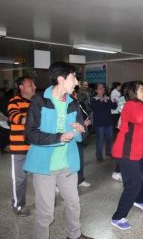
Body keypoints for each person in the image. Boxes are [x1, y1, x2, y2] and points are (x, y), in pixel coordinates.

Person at [23, 61, 93, 239]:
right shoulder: (40, 101)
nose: (76, 82)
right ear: (61, 79)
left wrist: (79, 130)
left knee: (74, 204)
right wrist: (58, 137)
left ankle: (74, 235)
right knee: (46, 213)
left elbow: (82, 136)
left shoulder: (73, 103)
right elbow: (30, 134)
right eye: (73, 77)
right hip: (44, 166)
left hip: (67, 164)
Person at [111, 80, 143, 230]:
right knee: (133, 184)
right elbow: (139, 118)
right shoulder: (129, 106)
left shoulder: (141, 106)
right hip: (125, 152)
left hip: (138, 151)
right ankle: (117, 217)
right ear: (133, 92)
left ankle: (140, 200)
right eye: (141, 90)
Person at [8, 76, 36, 216]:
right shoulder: (14, 102)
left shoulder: (37, 102)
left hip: (35, 148)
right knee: (20, 179)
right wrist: (33, 119)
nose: (34, 87)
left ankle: (45, 201)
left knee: (40, 176)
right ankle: (18, 205)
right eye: (30, 84)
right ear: (21, 87)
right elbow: (15, 117)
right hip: (19, 149)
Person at [91, 83, 117, 162]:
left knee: (109, 138)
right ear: (96, 90)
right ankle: (99, 155)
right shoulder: (94, 99)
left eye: (103, 88)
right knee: (100, 139)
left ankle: (108, 152)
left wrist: (114, 102)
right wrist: (101, 101)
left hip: (108, 122)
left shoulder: (107, 98)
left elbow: (114, 107)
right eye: (100, 88)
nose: (102, 89)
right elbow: (94, 108)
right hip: (99, 124)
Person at [72, 86, 91, 188]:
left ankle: (80, 179)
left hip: (80, 136)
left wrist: (85, 123)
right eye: (74, 94)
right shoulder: (67, 106)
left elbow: (84, 115)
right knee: (67, 162)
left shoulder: (79, 104)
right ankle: (58, 183)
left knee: (80, 159)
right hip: (71, 137)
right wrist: (83, 124)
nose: (76, 96)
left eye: (75, 94)